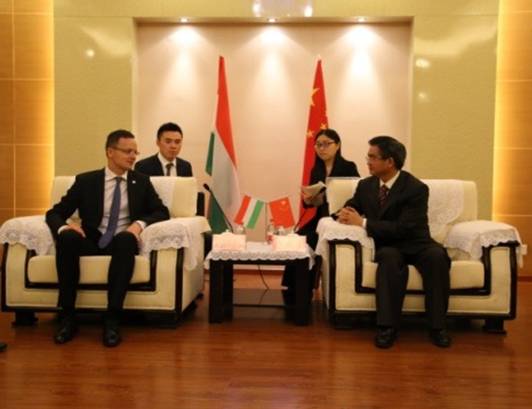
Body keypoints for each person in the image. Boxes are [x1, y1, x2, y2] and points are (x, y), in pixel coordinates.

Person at [46, 129, 170, 347]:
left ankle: (112, 318)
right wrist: (65, 227)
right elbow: (54, 213)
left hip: (120, 241)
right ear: (110, 152)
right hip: (92, 238)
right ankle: (67, 317)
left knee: (126, 240)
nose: (133, 156)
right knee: (67, 239)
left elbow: (161, 211)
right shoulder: (86, 181)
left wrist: (138, 225)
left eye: (135, 152)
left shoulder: (141, 182)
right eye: (127, 151)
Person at [336, 136, 451, 349]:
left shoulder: (416, 188)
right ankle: (387, 327)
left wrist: (363, 222)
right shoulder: (366, 185)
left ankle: (438, 327)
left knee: (437, 257)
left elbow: (404, 228)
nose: (368, 162)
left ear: (390, 162)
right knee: (389, 259)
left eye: (373, 157)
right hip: (388, 245)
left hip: (416, 243)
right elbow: (353, 205)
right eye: (368, 157)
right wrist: (343, 213)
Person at [282, 128, 359, 290]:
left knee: (311, 239)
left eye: (326, 144)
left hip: (339, 218)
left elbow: (356, 195)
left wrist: (327, 199)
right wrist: (308, 199)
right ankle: (291, 285)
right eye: (318, 145)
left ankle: (306, 286)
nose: (322, 148)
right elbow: (312, 203)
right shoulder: (316, 169)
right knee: (297, 238)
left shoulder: (348, 167)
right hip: (320, 217)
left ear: (337, 145)